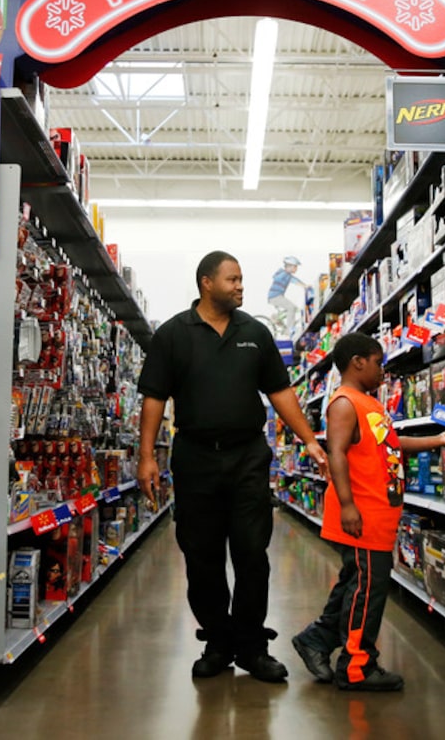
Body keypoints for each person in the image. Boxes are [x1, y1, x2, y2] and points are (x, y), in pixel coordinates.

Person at [137, 250, 327, 682]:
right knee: (201, 556)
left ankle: (251, 647)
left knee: (251, 553)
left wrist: (311, 442)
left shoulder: (255, 333)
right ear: (207, 282)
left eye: (242, 279)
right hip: (195, 457)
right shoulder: (172, 334)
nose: (241, 286)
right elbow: (154, 398)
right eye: (233, 279)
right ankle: (219, 642)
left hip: (246, 457)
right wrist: (147, 456)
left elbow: (280, 394)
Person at [291, 332, 445, 691]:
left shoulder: (371, 405)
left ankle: (317, 640)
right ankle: (357, 667)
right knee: (368, 591)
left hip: (378, 516)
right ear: (358, 362)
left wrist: (437, 439)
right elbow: (336, 453)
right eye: (377, 362)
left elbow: (392, 444)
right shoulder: (344, 403)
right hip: (362, 517)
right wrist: (349, 505)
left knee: (355, 586)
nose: (382, 370)